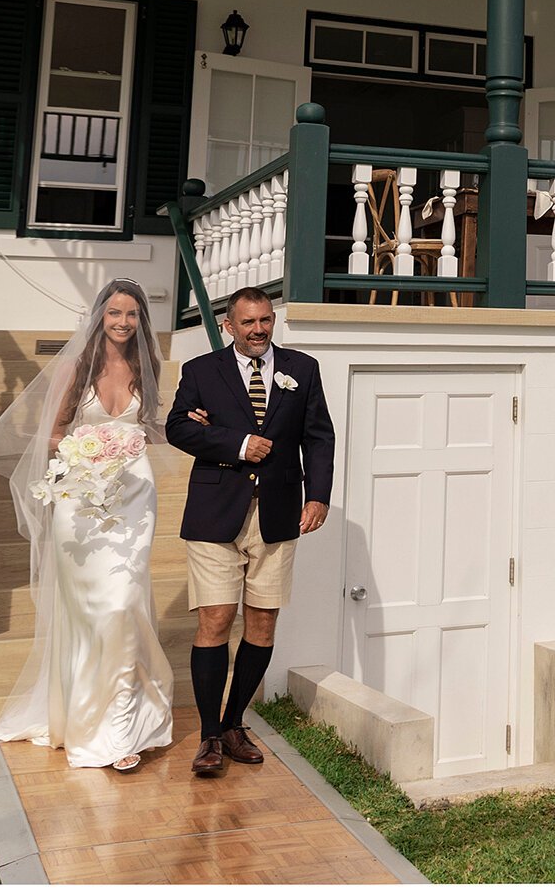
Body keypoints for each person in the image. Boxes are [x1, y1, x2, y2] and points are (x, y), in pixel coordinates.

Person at [0, 279, 172, 772]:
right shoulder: (73, 367)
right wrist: (91, 454)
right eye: (115, 313)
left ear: (141, 320)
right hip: (81, 502)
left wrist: (190, 423)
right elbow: (54, 434)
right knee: (89, 616)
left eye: (132, 314)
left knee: (123, 605)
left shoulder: (149, 367)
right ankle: (83, 719)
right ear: (99, 316)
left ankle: (122, 727)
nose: (123, 322)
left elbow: (150, 428)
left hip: (134, 502)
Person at [167, 286, 334, 779]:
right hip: (215, 514)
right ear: (228, 325)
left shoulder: (302, 368)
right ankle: (208, 737)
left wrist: (318, 495)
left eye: (265, 320)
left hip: (279, 514)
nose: (259, 329)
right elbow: (177, 427)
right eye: (248, 322)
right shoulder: (200, 371)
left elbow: (318, 436)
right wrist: (236, 443)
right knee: (216, 621)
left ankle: (235, 723)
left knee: (261, 625)